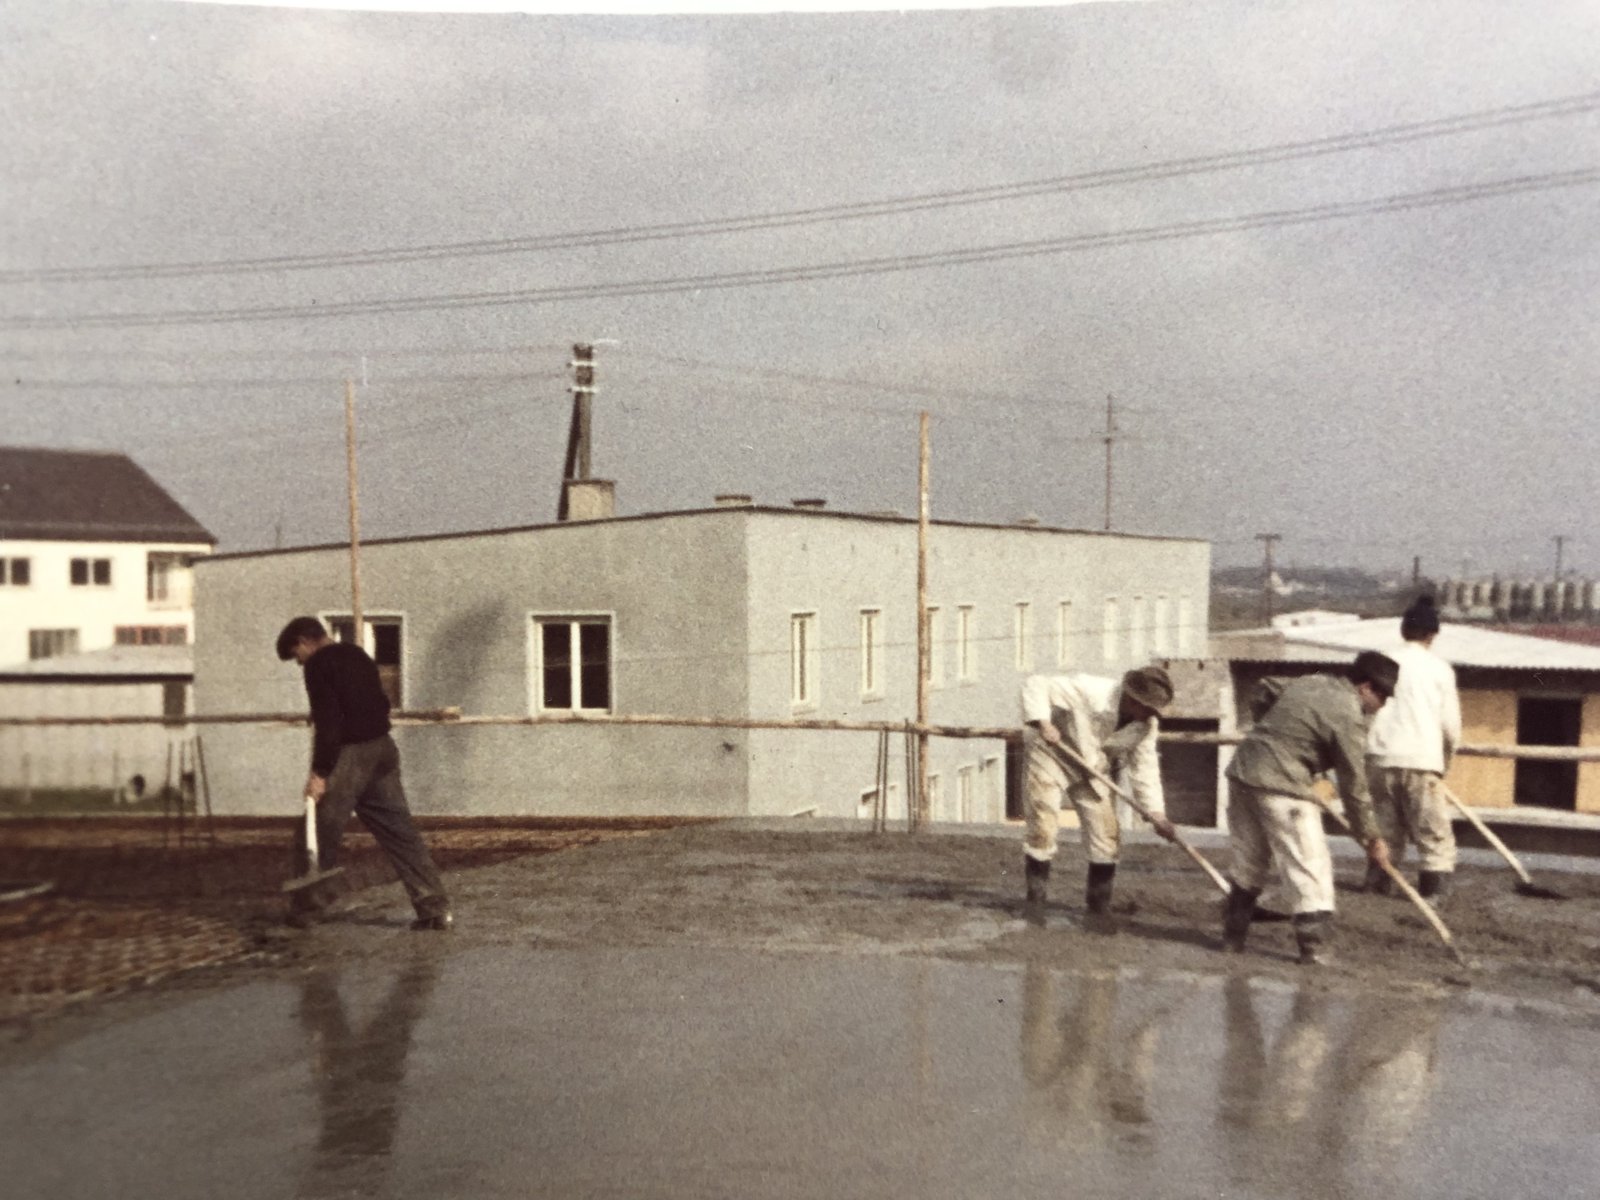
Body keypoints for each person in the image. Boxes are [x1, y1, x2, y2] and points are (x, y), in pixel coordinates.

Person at [276, 616, 452, 931]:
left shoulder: (319, 665)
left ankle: (305, 911)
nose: (299, 664)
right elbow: (381, 703)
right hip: (382, 748)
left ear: (304, 641)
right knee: (399, 831)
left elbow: (329, 724)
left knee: (315, 829)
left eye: (295, 655)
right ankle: (434, 908)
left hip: (350, 754)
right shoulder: (357, 654)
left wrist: (319, 773)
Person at [1221, 651, 1398, 964]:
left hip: (1242, 773)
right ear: (1366, 688)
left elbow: (1265, 688)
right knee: (1309, 865)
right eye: (1383, 696)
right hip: (1282, 784)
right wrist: (1372, 838)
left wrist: (1277, 736)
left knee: (1249, 859)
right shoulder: (1348, 714)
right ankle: (1315, 950)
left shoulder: (1311, 681)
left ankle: (1232, 941)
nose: (1383, 705)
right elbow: (1354, 784)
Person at [1019, 665, 1179, 921]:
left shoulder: (1147, 725)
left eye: (1154, 709)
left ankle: (1098, 908)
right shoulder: (1093, 691)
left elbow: (1145, 768)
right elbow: (1036, 682)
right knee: (1043, 824)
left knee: (1106, 835)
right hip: (1053, 752)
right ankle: (1035, 902)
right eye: (1147, 707)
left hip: (1092, 768)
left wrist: (1157, 813)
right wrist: (1044, 722)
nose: (1151, 714)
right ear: (1130, 697)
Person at [1365, 596, 1461, 899]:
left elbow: (1363, 712)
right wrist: (1445, 762)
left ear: (1403, 630)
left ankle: (1377, 884)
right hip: (1421, 759)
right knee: (1432, 832)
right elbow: (1450, 725)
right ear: (1432, 635)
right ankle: (1434, 892)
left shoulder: (1380, 663)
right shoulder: (1439, 669)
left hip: (1379, 757)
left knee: (1384, 829)